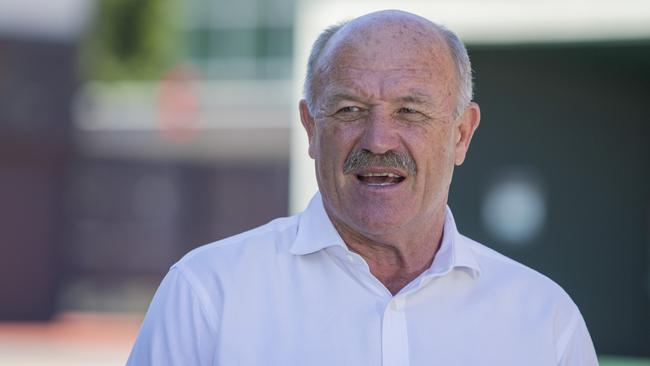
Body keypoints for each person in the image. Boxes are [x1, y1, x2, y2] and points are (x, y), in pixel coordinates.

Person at [127, 10, 598, 366]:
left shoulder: (545, 321)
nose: (377, 139)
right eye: (349, 109)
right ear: (311, 128)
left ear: (460, 134)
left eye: (410, 111)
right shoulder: (208, 294)